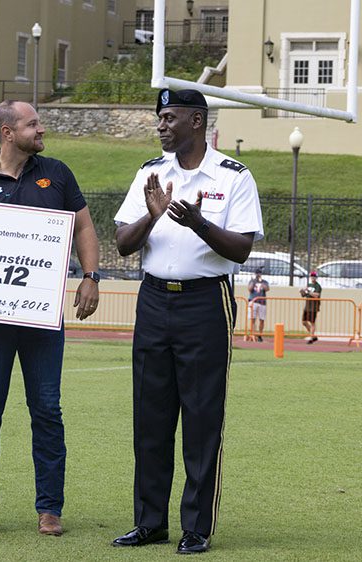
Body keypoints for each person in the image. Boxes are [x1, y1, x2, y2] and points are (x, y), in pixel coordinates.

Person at [111, 89, 263, 555]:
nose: (161, 126)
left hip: (204, 303)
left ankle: (196, 527)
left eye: (170, 117)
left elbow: (240, 249)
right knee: (150, 418)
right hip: (154, 300)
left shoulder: (233, 176)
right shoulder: (149, 173)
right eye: (159, 118)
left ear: (197, 121)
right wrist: (153, 218)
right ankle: (150, 522)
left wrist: (198, 223)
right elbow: (122, 243)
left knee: (201, 418)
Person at [0, 100, 101, 538]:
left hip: (42, 318)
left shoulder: (57, 173)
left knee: (48, 410)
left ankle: (49, 509)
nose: (42, 128)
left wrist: (90, 276)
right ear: (6, 132)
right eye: (32, 123)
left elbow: (84, 228)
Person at [247, 267, 269, 342]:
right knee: (253, 319)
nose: (258, 275)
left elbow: (267, 289)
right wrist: (254, 281)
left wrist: (261, 282)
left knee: (261, 319)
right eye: (257, 273)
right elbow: (249, 289)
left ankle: (260, 335)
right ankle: (253, 334)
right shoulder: (252, 281)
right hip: (253, 302)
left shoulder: (264, 282)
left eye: (259, 273)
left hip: (262, 302)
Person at [300, 271, 322, 343]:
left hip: (313, 306)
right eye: (312, 276)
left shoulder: (317, 286)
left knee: (312, 322)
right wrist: (302, 291)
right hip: (307, 306)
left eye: (314, 276)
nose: (313, 277)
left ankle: (311, 338)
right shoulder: (308, 284)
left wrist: (308, 291)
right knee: (304, 322)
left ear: (316, 277)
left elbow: (316, 295)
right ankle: (313, 336)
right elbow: (304, 295)